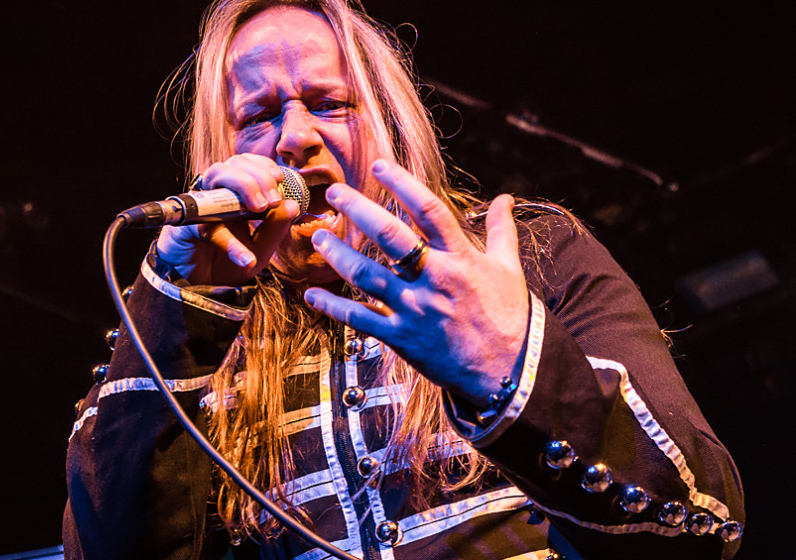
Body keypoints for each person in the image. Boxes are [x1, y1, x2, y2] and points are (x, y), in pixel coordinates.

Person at [62, 0, 745, 558]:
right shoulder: (187, 330)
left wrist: (511, 368)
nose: (293, 137)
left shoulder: (533, 254)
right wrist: (177, 311)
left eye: (328, 102)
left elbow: (704, 522)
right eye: (259, 116)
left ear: (389, 123)